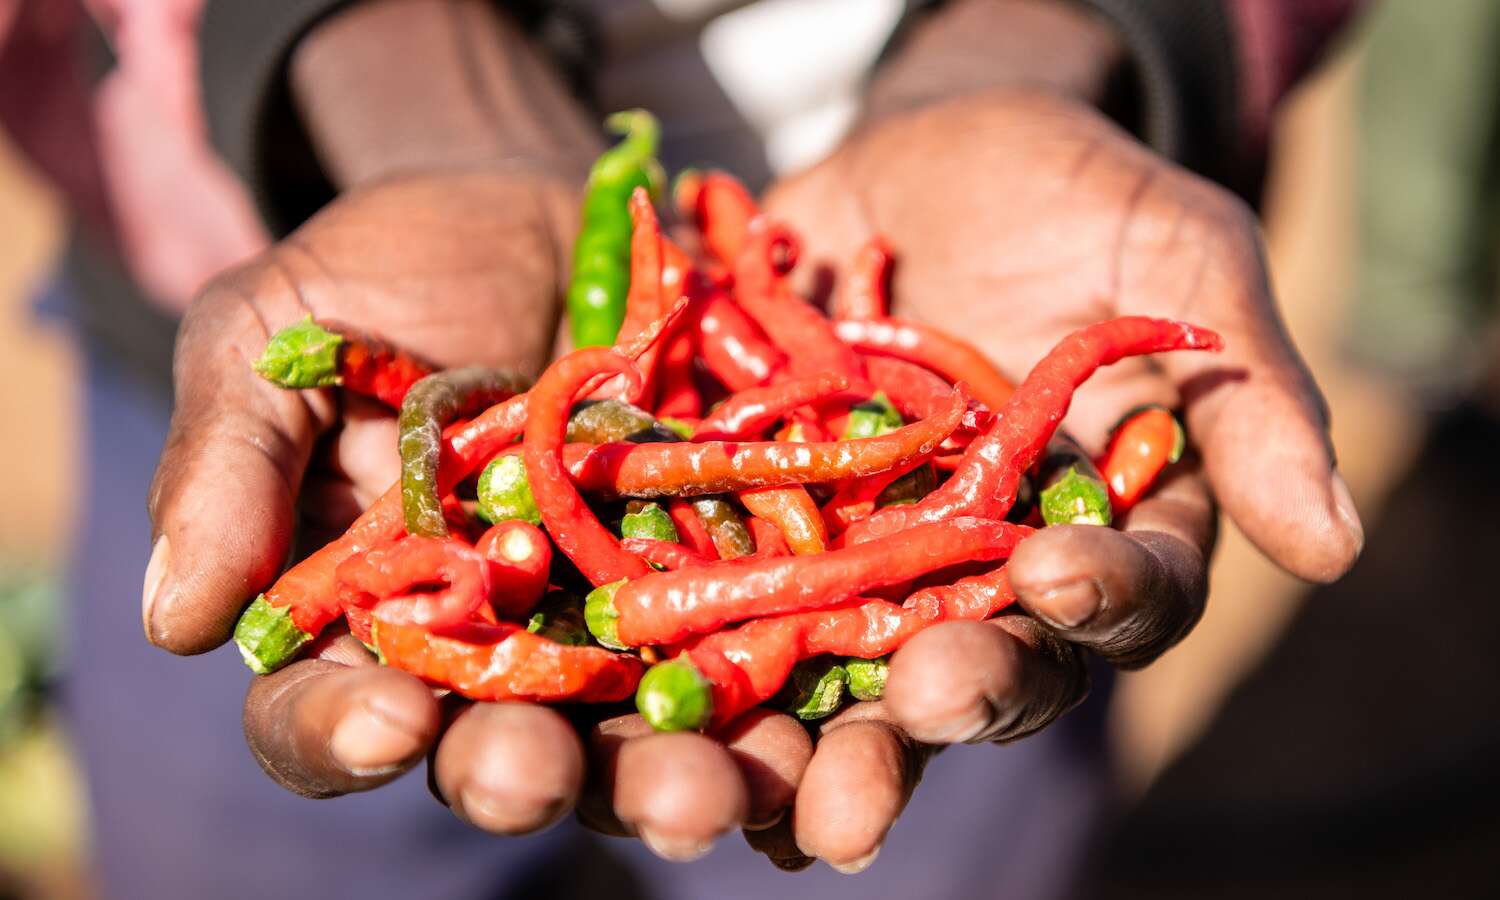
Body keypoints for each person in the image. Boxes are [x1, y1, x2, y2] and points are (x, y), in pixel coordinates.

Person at [4, 0, 1361, 897]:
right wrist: (401, 67)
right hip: (260, 231)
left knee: (933, 801)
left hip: (946, 203)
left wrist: (1047, 41)